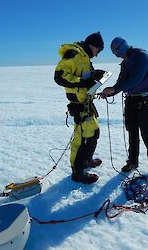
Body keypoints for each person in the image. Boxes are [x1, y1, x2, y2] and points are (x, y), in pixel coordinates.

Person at [101, 37, 148, 177]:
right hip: (131, 101)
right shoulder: (126, 62)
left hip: (145, 100)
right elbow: (122, 82)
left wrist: (115, 88)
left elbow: (135, 79)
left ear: (120, 48)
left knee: (147, 134)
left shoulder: (141, 57)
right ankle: (133, 161)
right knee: (132, 132)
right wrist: (110, 92)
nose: (116, 55)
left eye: (116, 52)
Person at [54, 32, 106, 184]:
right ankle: (78, 171)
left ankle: (86, 161)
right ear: (92, 45)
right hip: (78, 104)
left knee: (93, 133)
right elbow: (60, 76)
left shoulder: (84, 57)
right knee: (82, 138)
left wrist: (96, 74)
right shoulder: (74, 54)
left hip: (87, 102)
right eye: (99, 50)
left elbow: (84, 76)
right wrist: (84, 83)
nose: (97, 55)